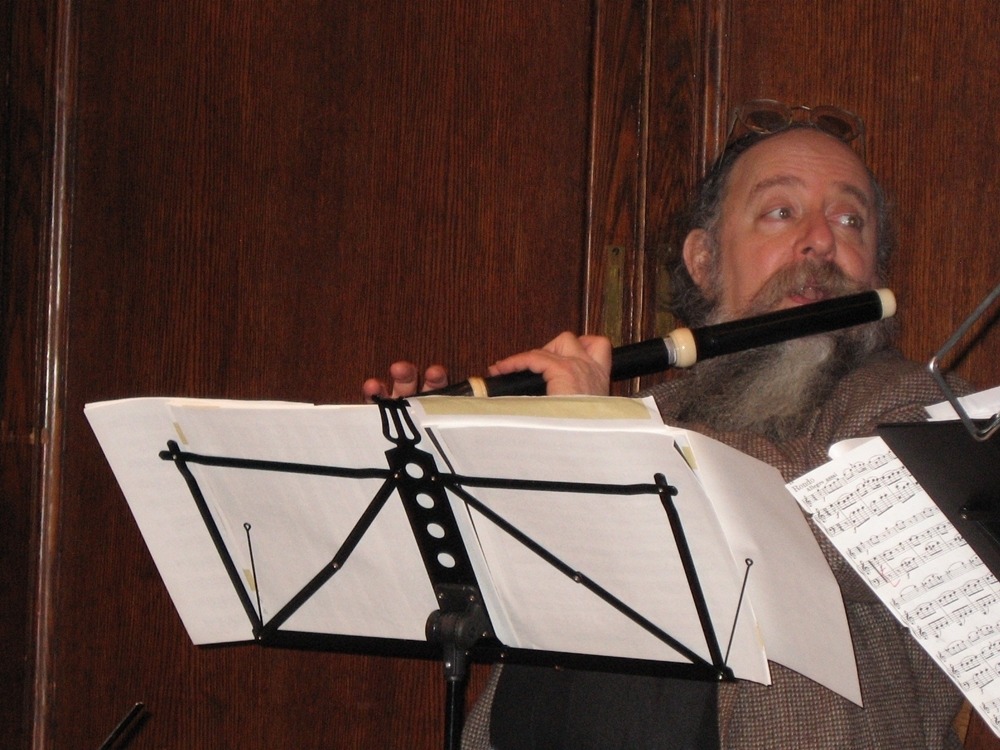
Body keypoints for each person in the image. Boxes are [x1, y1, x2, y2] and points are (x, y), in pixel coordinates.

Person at [363, 105, 965, 749]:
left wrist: (606, 432)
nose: (820, 239)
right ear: (705, 261)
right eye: (781, 212)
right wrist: (434, 465)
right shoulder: (654, 412)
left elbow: (837, 537)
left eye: (850, 220)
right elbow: (496, 588)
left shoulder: (915, 404)